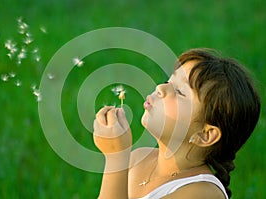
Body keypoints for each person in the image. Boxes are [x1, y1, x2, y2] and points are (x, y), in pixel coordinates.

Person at [93, 48, 261, 199]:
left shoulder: (203, 193)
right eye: (168, 82)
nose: (160, 87)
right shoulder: (138, 159)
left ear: (205, 134)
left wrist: (116, 159)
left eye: (179, 92)